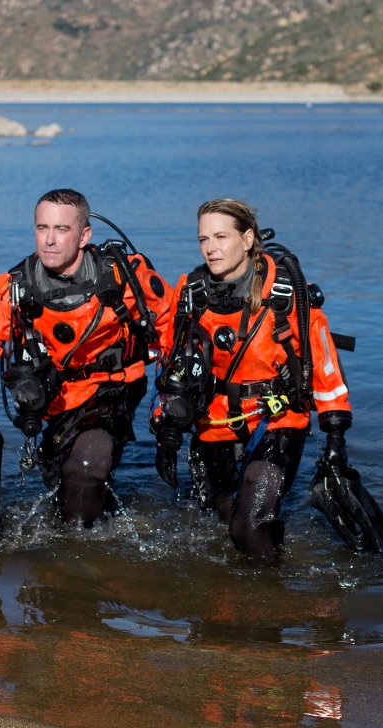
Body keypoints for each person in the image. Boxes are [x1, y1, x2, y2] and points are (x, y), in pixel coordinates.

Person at [0, 188, 173, 528]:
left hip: (113, 389)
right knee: (66, 485)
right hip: (57, 401)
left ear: (84, 235)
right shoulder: (15, 287)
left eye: (61, 229)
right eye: (42, 228)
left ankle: (82, 552)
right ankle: (91, 528)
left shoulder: (123, 275)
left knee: (87, 466)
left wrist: (170, 400)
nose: (49, 240)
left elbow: (170, 325)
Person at [150, 198, 355, 561]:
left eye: (221, 237)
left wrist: (335, 439)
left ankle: (270, 592)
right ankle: (250, 582)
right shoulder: (191, 293)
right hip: (214, 423)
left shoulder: (287, 293)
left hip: (277, 420)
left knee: (249, 524)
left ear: (247, 240)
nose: (210, 248)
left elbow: (325, 367)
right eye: (203, 239)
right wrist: (166, 431)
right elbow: (173, 367)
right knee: (227, 519)